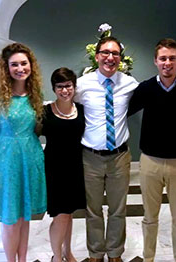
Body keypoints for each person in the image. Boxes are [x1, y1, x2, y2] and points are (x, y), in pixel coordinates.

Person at [128, 38, 176, 262]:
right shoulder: (146, 88)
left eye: (171, 58)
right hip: (150, 161)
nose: (167, 62)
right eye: (163, 58)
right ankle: (148, 258)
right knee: (150, 217)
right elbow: (124, 110)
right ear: (155, 61)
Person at [0, 43, 47, 262]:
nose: (20, 68)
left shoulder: (35, 96)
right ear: (6, 68)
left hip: (30, 161)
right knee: (10, 220)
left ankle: (23, 259)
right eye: (14, 64)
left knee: (24, 217)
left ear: (31, 66)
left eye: (24, 63)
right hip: (4, 164)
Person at [74, 36, 138, 262]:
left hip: (120, 156)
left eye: (115, 54)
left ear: (120, 58)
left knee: (118, 209)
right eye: (105, 53)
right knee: (92, 210)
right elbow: (65, 109)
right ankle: (95, 253)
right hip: (90, 157)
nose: (110, 58)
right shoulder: (82, 84)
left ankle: (115, 253)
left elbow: (153, 93)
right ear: (97, 56)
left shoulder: (130, 83)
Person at [41, 67, 86, 262]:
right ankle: (57, 257)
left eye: (68, 86)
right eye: (60, 87)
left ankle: (68, 252)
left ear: (74, 87)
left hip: (76, 168)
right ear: (54, 88)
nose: (65, 90)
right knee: (60, 215)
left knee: (69, 214)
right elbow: (32, 137)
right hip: (54, 169)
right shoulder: (45, 112)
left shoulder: (82, 110)